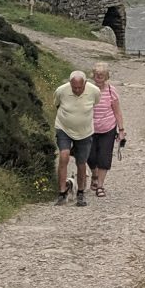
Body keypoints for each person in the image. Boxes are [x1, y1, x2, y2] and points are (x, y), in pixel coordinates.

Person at [53, 69, 99, 208]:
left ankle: (80, 192)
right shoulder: (61, 91)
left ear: (85, 83)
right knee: (64, 155)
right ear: (70, 83)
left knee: (81, 162)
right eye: (74, 87)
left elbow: (95, 104)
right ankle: (62, 192)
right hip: (64, 128)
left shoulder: (94, 91)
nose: (77, 90)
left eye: (80, 87)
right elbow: (56, 103)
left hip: (85, 132)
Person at [89, 62, 126, 196]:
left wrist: (121, 130)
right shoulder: (88, 89)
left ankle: (100, 186)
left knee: (104, 158)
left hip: (108, 128)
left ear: (106, 76)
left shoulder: (111, 91)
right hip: (89, 129)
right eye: (97, 74)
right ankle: (94, 175)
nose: (99, 77)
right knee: (90, 156)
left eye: (102, 75)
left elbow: (117, 112)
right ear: (93, 75)